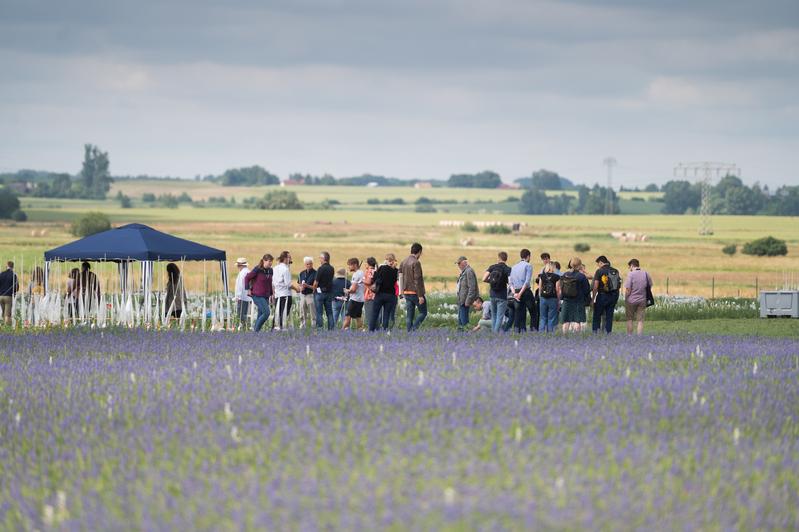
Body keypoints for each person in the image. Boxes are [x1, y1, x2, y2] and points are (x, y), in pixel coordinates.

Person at [399, 242, 427, 331]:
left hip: (406, 292)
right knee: (423, 312)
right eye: (421, 253)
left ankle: (409, 332)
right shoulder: (416, 262)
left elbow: (399, 277)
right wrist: (420, 295)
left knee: (409, 315)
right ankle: (413, 329)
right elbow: (417, 279)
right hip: (415, 292)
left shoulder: (403, 262)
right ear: (419, 252)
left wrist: (401, 292)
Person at [483, 251, 512, 333]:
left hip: (492, 294)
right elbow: (510, 282)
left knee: (494, 315)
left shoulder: (492, 267)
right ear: (506, 259)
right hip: (502, 296)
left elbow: (483, 278)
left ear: (498, 258)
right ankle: (495, 334)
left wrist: (492, 282)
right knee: (500, 316)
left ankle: (493, 332)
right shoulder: (508, 269)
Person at [592, 255, 622, 334]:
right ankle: (608, 333)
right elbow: (618, 284)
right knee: (609, 316)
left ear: (601, 262)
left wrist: (593, 299)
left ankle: (595, 333)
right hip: (613, 296)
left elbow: (595, 286)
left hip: (602, 295)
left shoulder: (599, 271)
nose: (598, 266)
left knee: (597, 315)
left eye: (598, 264)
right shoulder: (615, 271)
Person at [561, 257, 591, 334]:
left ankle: (565, 337)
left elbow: (561, 287)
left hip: (566, 300)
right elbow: (587, 289)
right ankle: (576, 338)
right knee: (577, 321)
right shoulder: (581, 276)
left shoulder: (565, 274)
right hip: (578, 301)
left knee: (566, 321)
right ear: (579, 265)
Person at [369, 253, 399, 331]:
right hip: (391, 295)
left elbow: (374, 278)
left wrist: (376, 270)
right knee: (386, 315)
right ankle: (384, 331)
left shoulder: (382, 268)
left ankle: (371, 331)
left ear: (386, 260)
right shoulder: (396, 270)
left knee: (375, 314)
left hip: (380, 294)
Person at [245, 254, 274, 332]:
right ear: (264, 261)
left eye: (271, 261)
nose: (271, 263)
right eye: (269, 261)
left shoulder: (271, 270)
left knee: (261, 314)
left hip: (266, 295)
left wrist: (271, 294)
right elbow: (247, 277)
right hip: (257, 295)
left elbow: (269, 283)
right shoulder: (257, 269)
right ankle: (255, 331)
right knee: (266, 313)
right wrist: (248, 289)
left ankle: (256, 334)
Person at [624, 258, 653, 335]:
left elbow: (628, 289)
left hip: (631, 300)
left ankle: (630, 336)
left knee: (630, 319)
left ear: (632, 265)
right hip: (642, 300)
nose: (629, 269)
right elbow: (650, 285)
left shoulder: (630, 274)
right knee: (640, 320)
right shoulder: (645, 273)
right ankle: (639, 337)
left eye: (629, 267)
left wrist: (626, 298)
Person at [509, 249, 534, 333]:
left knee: (519, 313)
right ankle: (534, 331)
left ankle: (518, 332)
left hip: (516, 291)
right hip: (525, 291)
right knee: (534, 312)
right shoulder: (528, 265)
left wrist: (515, 293)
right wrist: (520, 293)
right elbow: (527, 282)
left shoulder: (514, 267)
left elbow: (510, 282)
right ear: (528, 256)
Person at [313, 251, 335, 330]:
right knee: (329, 313)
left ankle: (320, 329)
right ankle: (331, 329)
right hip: (329, 292)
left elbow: (316, 283)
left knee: (319, 313)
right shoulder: (332, 268)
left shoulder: (321, 268)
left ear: (323, 258)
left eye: (320, 258)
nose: (319, 260)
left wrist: (313, 290)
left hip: (320, 293)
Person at [455, 256, 479, 331]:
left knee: (464, 322)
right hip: (461, 300)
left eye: (459, 263)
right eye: (458, 264)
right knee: (460, 321)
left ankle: (467, 337)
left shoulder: (469, 271)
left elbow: (472, 287)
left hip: (465, 301)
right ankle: (460, 338)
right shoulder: (464, 272)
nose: (458, 266)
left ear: (464, 263)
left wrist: (468, 301)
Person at [537, 262, 561, 332]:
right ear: (553, 267)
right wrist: (558, 300)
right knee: (551, 318)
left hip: (543, 298)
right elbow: (557, 289)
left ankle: (541, 333)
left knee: (543, 318)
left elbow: (540, 287)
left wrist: (540, 296)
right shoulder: (557, 277)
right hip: (553, 299)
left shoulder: (542, 276)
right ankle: (550, 334)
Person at [273, 251, 293, 331]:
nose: (290, 259)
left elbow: (273, 282)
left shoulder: (275, 268)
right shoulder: (285, 269)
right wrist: (297, 289)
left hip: (278, 294)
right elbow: (288, 284)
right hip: (285, 294)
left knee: (277, 313)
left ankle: (275, 328)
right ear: (285, 259)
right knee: (284, 314)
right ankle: (282, 329)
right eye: (289, 257)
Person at [343, 258, 365, 330]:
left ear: (355, 265)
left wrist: (347, 291)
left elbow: (353, 290)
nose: (349, 267)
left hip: (355, 299)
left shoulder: (356, 274)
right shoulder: (361, 272)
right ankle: (360, 331)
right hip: (361, 299)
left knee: (347, 316)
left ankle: (341, 332)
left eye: (350, 265)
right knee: (358, 317)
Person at [298, 257, 317, 329]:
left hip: (310, 295)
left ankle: (313, 326)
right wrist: (301, 287)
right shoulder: (301, 273)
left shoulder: (315, 273)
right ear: (305, 264)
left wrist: (307, 286)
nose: (309, 265)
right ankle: (302, 325)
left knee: (312, 311)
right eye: (308, 264)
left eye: (311, 264)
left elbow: (315, 287)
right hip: (303, 294)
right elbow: (299, 284)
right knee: (302, 311)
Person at [234, 257, 252, 326]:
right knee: (247, 315)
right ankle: (245, 327)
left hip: (242, 297)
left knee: (241, 315)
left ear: (240, 265)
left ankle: (242, 327)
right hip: (248, 297)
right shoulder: (248, 271)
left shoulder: (242, 273)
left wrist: (238, 297)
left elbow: (240, 286)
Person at [0, 261, 19, 325]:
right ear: (13, 267)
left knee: (3, 313)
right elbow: (16, 286)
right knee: (7, 314)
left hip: (1, 296)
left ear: (7, 266)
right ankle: (7, 329)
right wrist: (14, 292)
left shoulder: (1, 274)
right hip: (8, 296)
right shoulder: (14, 275)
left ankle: (2, 326)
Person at [362, 257, 377, 331]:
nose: (365, 264)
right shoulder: (376, 270)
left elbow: (368, 282)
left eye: (366, 263)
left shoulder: (369, 271)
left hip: (369, 295)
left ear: (368, 263)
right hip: (375, 295)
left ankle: (371, 331)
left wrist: (361, 280)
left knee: (369, 314)